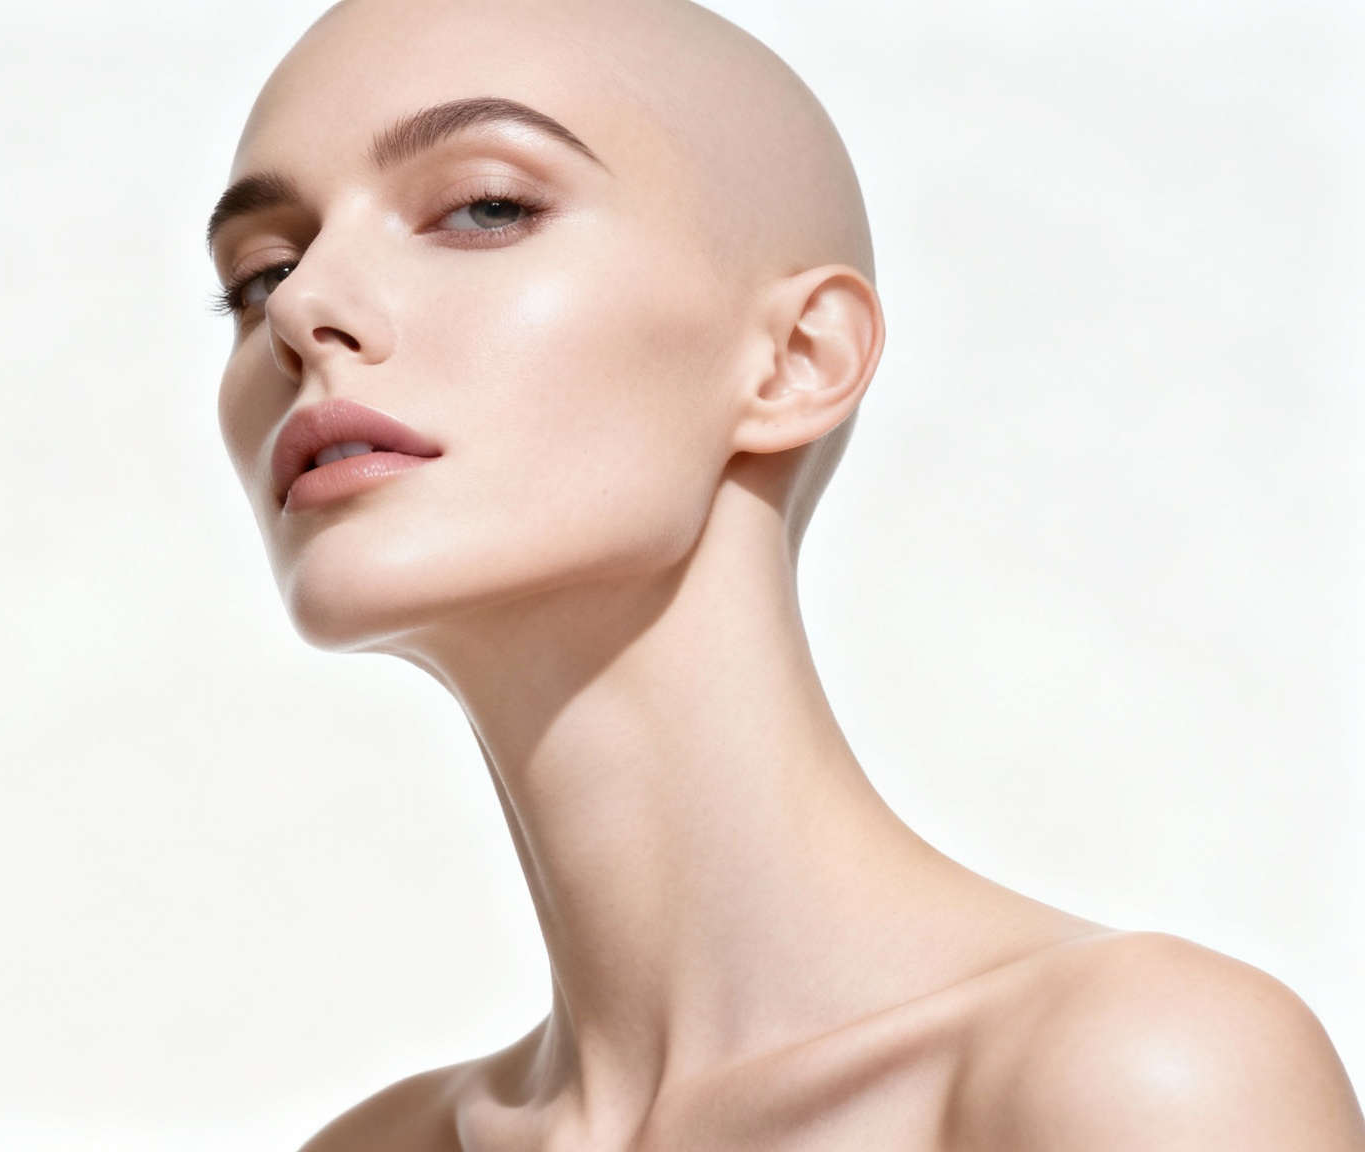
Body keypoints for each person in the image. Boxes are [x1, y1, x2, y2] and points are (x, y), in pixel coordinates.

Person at [203, 0, 1365, 1148]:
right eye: (260, 272)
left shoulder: (1135, 1077)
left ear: (797, 360)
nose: (303, 309)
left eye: (483, 208)